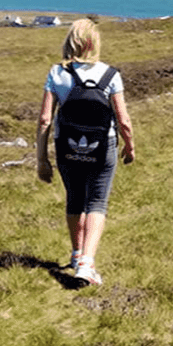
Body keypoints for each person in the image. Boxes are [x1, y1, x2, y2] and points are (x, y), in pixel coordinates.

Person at [36, 18, 135, 286]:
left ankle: (77, 254)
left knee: (75, 199)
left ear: (70, 41)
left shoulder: (57, 73)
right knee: (97, 203)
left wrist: (42, 160)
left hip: (66, 146)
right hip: (103, 147)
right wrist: (129, 144)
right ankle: (87, 265)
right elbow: (123, 119)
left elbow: (45, 119)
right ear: (94, 44)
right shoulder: (110, 75)